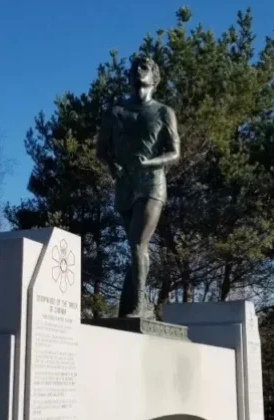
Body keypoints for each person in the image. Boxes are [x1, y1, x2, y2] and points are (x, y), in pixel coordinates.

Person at [96, 55, 181, 318]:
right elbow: (102, 151)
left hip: (152, 183)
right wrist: (113, 167)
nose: (137, 71)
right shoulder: (116, 112)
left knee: (137, 243)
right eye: (134, 68)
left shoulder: (163, 112)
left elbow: (175, 152)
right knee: (136, 247)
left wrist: (151, 162)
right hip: (125, 186)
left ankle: (138, 306)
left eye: (144, 67)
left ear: (154, 77)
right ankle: (131, 306)